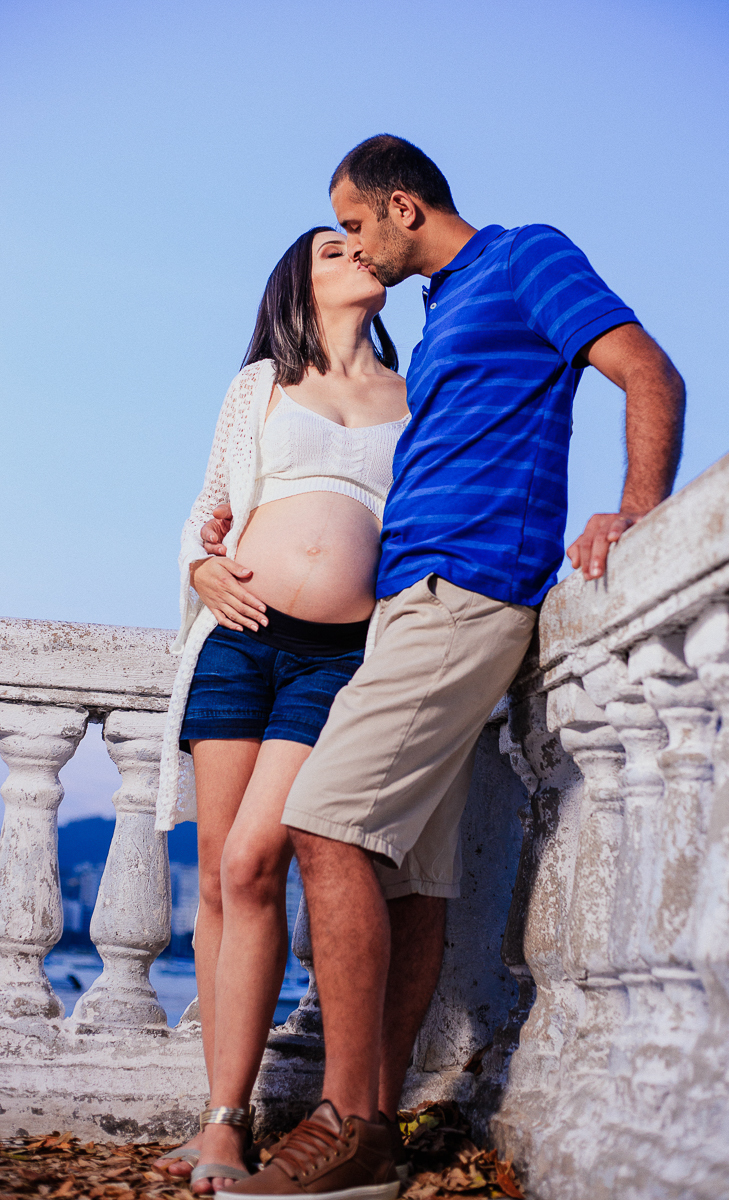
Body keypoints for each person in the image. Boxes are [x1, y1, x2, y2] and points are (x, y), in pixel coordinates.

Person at [217, 135, 686, 1200]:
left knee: (322, 824)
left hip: (465, 591)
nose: (348, 244)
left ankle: (348, 1121)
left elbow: (644, 368)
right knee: (412, 878)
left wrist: (640, 509)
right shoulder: (439, 311)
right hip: (407, 602)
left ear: (401, 205)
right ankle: (368, 1135)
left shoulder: (525, 257)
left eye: (353, 223)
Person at [151, 225, 409, 1195]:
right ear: (298, 282)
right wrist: (200, 568)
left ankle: (242, 1120)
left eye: (361, 243)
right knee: (223, 876)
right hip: (236, 643)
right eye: (333, 247)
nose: (358, 253)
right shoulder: (258, 383)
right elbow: (204, 509)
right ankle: (223, 1124)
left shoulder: (413, 393)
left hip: (340, 657)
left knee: (263, 853)